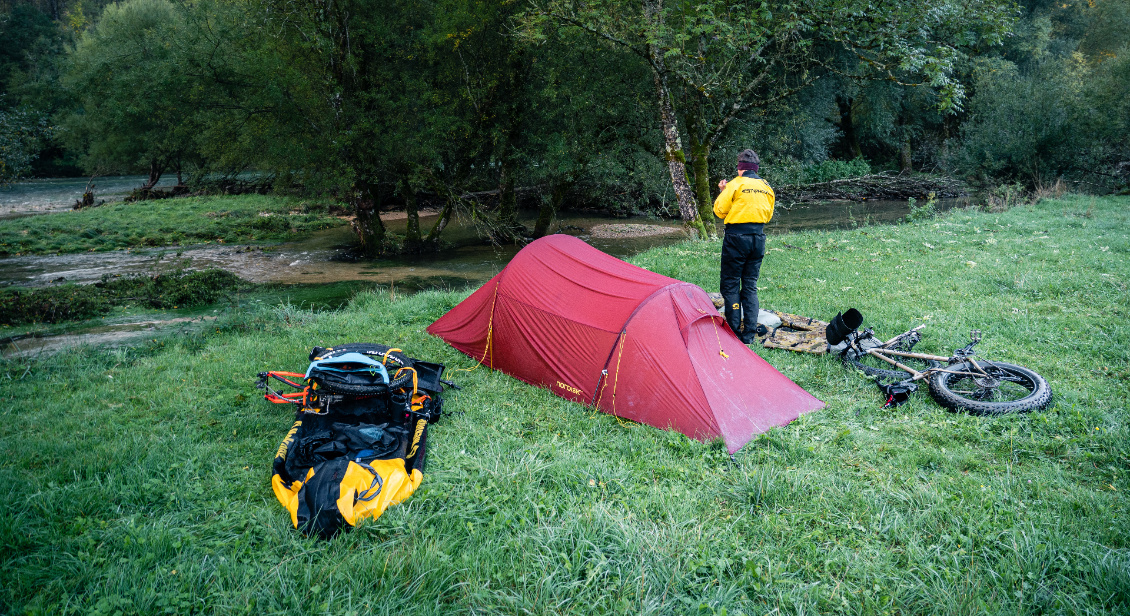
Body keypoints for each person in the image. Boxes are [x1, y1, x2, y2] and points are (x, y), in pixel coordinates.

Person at [713, 148, 775, 343]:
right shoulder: (766, 186)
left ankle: (732, 332)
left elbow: (720, 211)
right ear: (755, 169)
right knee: (749, 286)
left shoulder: (735, 184)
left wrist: (723, 192)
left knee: (731, 284)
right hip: (758, 238)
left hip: (736, 238)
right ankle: (749, 334)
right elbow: (769, 214)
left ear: (740, 168)